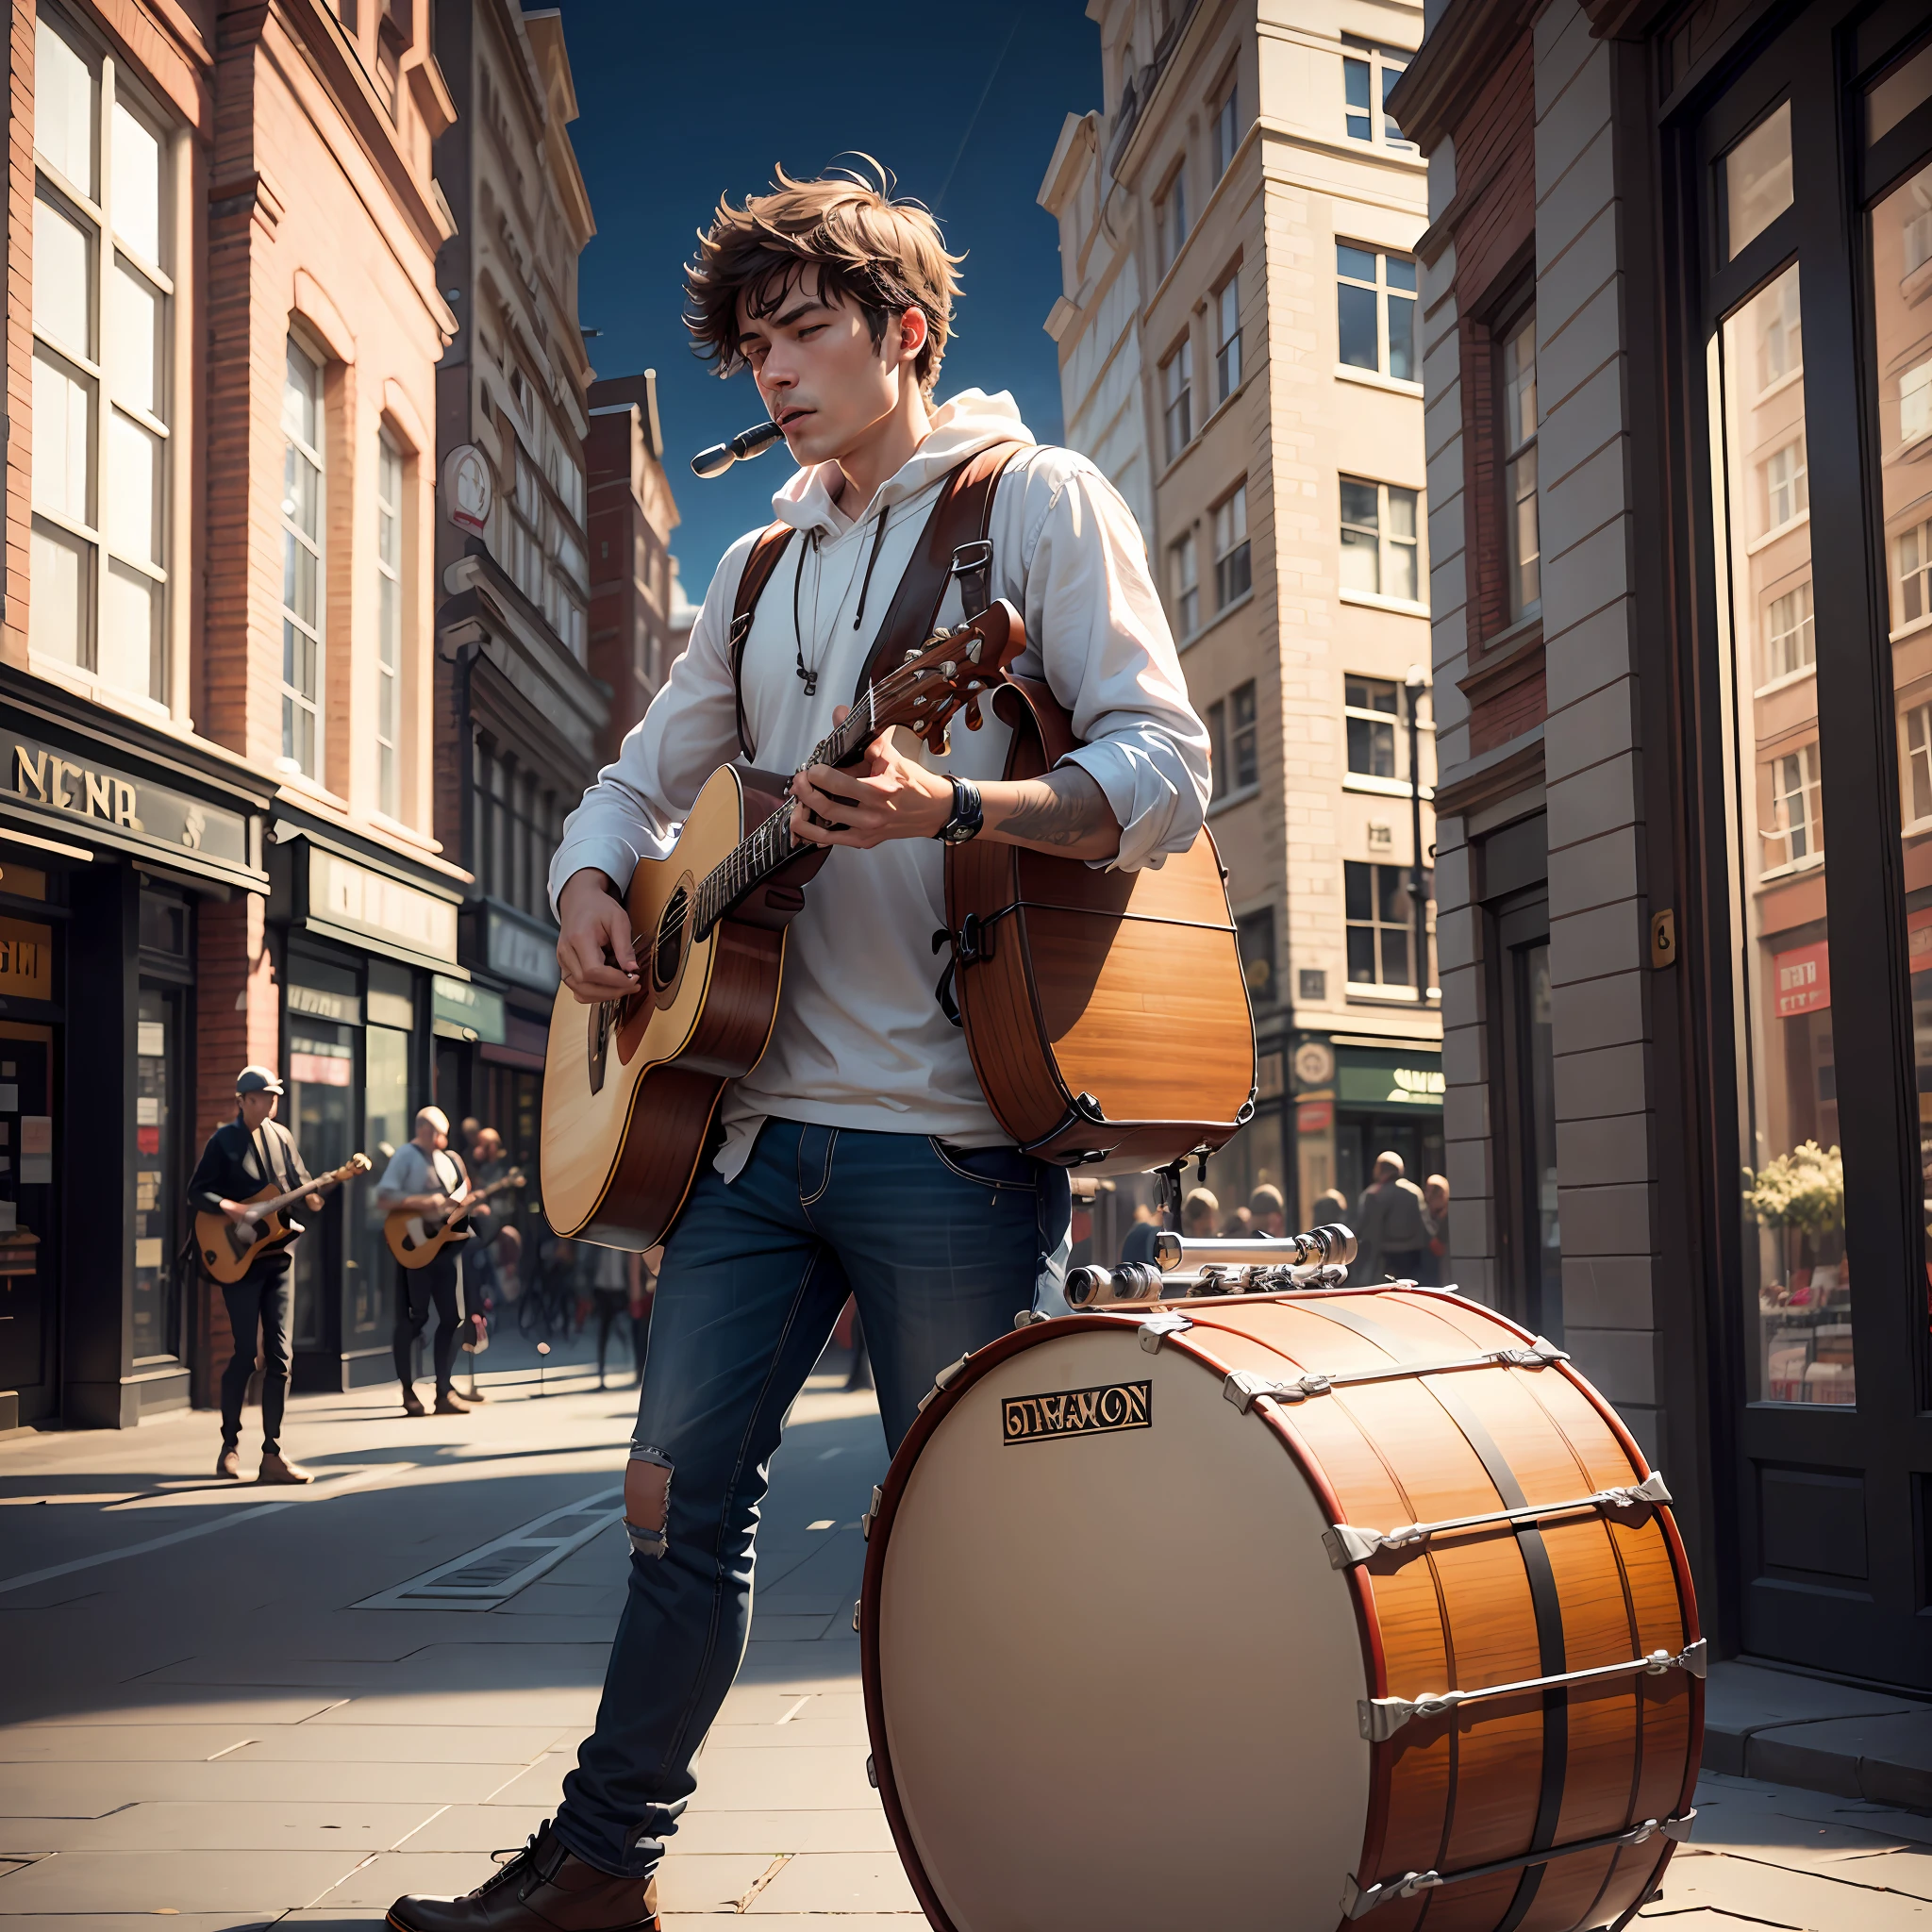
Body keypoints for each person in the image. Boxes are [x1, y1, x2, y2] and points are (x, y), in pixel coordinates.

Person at [387, 161, 1208, 1932]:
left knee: (975, 1551)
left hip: (951, 1143)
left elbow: (1164, 769)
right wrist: (597, 878)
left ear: (903, 332)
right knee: (673, 1512)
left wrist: (959, 799)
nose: (767, 372)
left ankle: (1032, 1877)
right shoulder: (755, 570)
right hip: (745, 1142)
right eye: (748, 345)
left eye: (803, 330)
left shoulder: (1034, 506)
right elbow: (632, 769)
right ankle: (604, 1863)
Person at [188, 1065, 325, 1485]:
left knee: (282, 1358)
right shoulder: (224, 1141)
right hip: (240, 1259)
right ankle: (229, 1445)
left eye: (274, 1096)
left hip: (278, 1256)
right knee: (246, 1353)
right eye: (264, 1096)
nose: (271, 1102)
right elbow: (197, 1191)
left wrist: (317, 1192)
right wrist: (229, 1207)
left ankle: (272, 1453)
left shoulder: (281, 1137)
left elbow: (300, 1184)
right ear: (243, 1100)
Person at [376, 1106, 488, 1416]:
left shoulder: (449, 1159)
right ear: (425, 1130)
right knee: (415, 1318)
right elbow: (384, 1197)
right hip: (414, 1246)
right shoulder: (405, 1156)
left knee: (453, 1318)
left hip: (445, 1247)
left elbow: (458, 1197)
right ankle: (408, 1391)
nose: (444, 1138)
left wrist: (470, 1203)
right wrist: (425, 1202)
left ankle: (443, 1390)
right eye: (441, 1132)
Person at [1355, 1151, 1431, 1283]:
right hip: (1414, 1255)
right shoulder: (1415, 1192)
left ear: (1380, 1168)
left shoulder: (1374, 1194)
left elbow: (1371, 1232)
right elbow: (1425, 1226)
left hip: (1387, 1257)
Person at [590, 1244, 629, 1391]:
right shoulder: (597, 1247)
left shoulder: (624, 1247)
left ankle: (633, 1368)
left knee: (624, 1330)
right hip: (602, 1293)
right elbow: (587, 1267)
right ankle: (601, 1374)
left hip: (621, 1293)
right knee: (602, 1335)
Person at [1423, 1174, 1452, 1286]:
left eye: (1433, 1192)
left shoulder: (1446, 1219)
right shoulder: (1428, 1215)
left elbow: (1437, 1247)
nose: (1427, 1196)